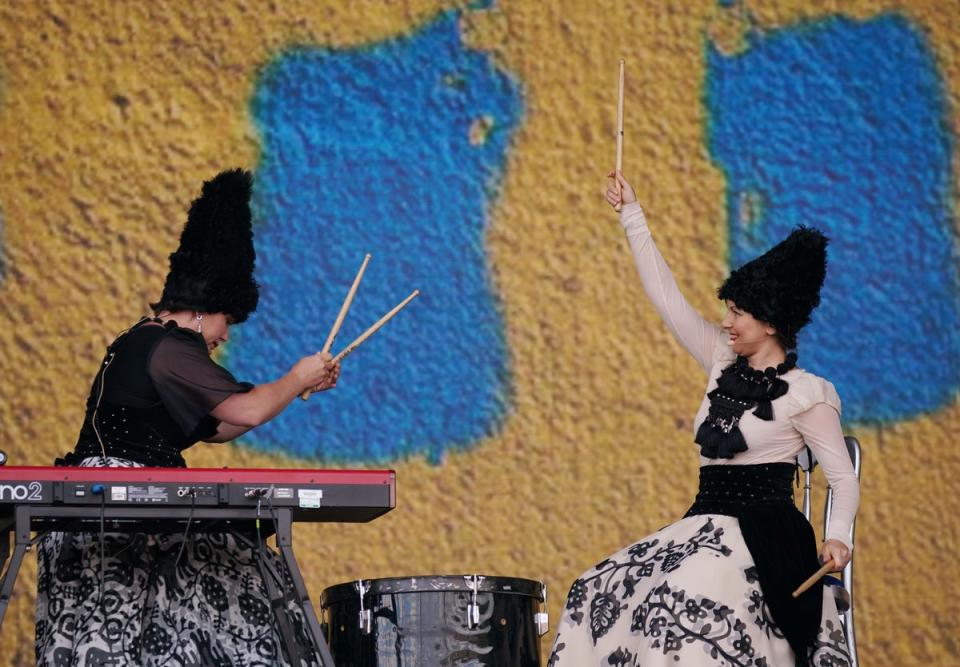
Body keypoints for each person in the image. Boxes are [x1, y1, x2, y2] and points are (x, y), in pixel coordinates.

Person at [548, 172, 860, 667]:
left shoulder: (809, 393)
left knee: (686, 589)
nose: (727, 321)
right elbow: (666, 299)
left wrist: (838, 536)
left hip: (767, 534)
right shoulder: (720, 359)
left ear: (772, 322)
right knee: (596, 587)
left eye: (739, 313)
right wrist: (633, 215)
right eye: (728, 309)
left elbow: (842, 478)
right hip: (705, 523)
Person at [36, 169, 339, 665]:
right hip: (119, 512)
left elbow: (219, 428)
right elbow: (245, 407)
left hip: (129, 507)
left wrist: (294, 389)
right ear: (205, 308)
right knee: (251, 573)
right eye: (227, 322)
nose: (225, 335)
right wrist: (297, 377)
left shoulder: (145, 341)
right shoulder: (168, 347)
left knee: (237, 564)